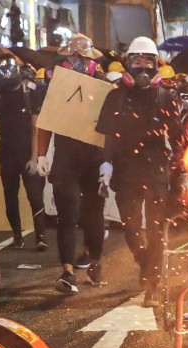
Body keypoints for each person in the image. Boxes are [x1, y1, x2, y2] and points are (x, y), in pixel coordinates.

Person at [96, 36, 183, 308]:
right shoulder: (114, 96)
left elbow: (179, 138)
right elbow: (108, 136)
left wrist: (184, 169)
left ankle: (153, 285)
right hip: (125, 171)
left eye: (148, 61)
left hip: (156, 169)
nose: (143, 67)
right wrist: (106, 166)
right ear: (128, 64)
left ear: (156, 65)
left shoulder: (166, 96)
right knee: (131, 228)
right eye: (137, 61)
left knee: (156, 229)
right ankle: (145, 264)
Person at [36, 35, 108, 294]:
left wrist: (110, 162)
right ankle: (67, 272)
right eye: (72, 57)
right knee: (67, 213)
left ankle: (94, 260)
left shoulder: (103, 86)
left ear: (91, 60)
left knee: (94, 213)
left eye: (81, 58)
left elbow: (111, 126)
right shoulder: (58, 84)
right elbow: (46, 119)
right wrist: (41, 153)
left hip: (94, 158)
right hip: (66, 158)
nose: (76, 62)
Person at [0, 54, 47, 250]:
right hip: (7, 153)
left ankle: (40, 237)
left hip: (27, 152)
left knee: (35, 195)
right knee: (10, 195)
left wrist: (35, 157)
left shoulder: (30, 93)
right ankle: (17, 236)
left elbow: (36, 127)